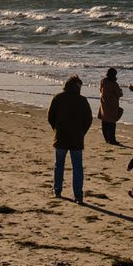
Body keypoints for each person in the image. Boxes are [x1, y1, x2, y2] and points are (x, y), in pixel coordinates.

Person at [48, 75, 93, 204]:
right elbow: (88, 120)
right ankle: (78, 195)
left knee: (59, 165)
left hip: (61, 137)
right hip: (76, 138)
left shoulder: (58, 98)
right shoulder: (82, 100)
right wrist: (81, 132)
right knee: (77, 167)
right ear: (77, 87)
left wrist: (56, 129)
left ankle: (57, 190)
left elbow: (51, 117)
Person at [97, 67, 123, 145]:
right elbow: (119, 94)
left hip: (104, 104)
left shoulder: (103, 81)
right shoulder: (114, 84)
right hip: (112, 104)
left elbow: (100, 90)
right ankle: (112, 139)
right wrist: (120, 91)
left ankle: (106, 138)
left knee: (104, 122)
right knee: (112, 123)